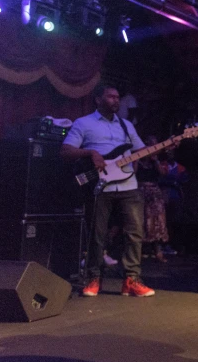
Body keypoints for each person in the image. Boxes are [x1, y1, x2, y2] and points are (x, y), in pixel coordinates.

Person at [60, 82, 155, 298]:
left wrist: (167, 145)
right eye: (111, 96)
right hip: (100, 185)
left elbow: (141, 151)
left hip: (128, 184)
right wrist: (90, 153)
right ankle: (94, 278)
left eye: (117, 97)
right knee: (97, 233)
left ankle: (131, 279)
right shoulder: (84, 123)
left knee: (134, 233)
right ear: (98, 100)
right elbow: (65, 151)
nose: (116, 100)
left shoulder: (126, 126)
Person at [136, 135, 170, 263]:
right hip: (140, 190)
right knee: (141, 221)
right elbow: (132, 173)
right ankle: (137, 252)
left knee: (158, 221)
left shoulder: (158, 160)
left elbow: (163, 173)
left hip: (154, 192)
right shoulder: (138, 160)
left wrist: (155, 160)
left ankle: (158, 251)